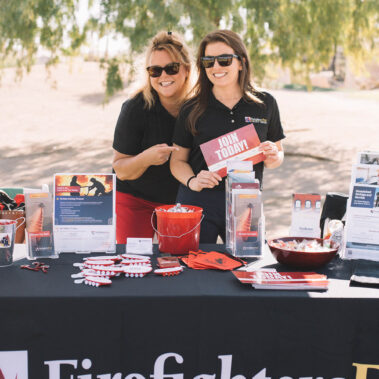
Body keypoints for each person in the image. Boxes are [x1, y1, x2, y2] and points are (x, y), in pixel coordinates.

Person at [170, 30, 285, 243]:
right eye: (208, 61)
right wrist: (193, 181)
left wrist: (273, 155)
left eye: (224, 60)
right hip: (198, 203)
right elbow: (176, 161)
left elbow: (277, 156)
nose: (216, 67)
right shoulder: (191, 108)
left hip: (246, 204)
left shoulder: (265, 103)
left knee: (248, 268)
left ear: (241, 62)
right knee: (193, 271)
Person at [112, 31, 192, 243]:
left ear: (186, 69)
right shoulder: (135, 108)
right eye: (155, 71)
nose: (163, 76)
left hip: (180, 202)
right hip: (134, 199)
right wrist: (145, 159)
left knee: (181, 263)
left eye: (171, 68)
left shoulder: (198, 107)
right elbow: (120, 169)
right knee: (133, 262)